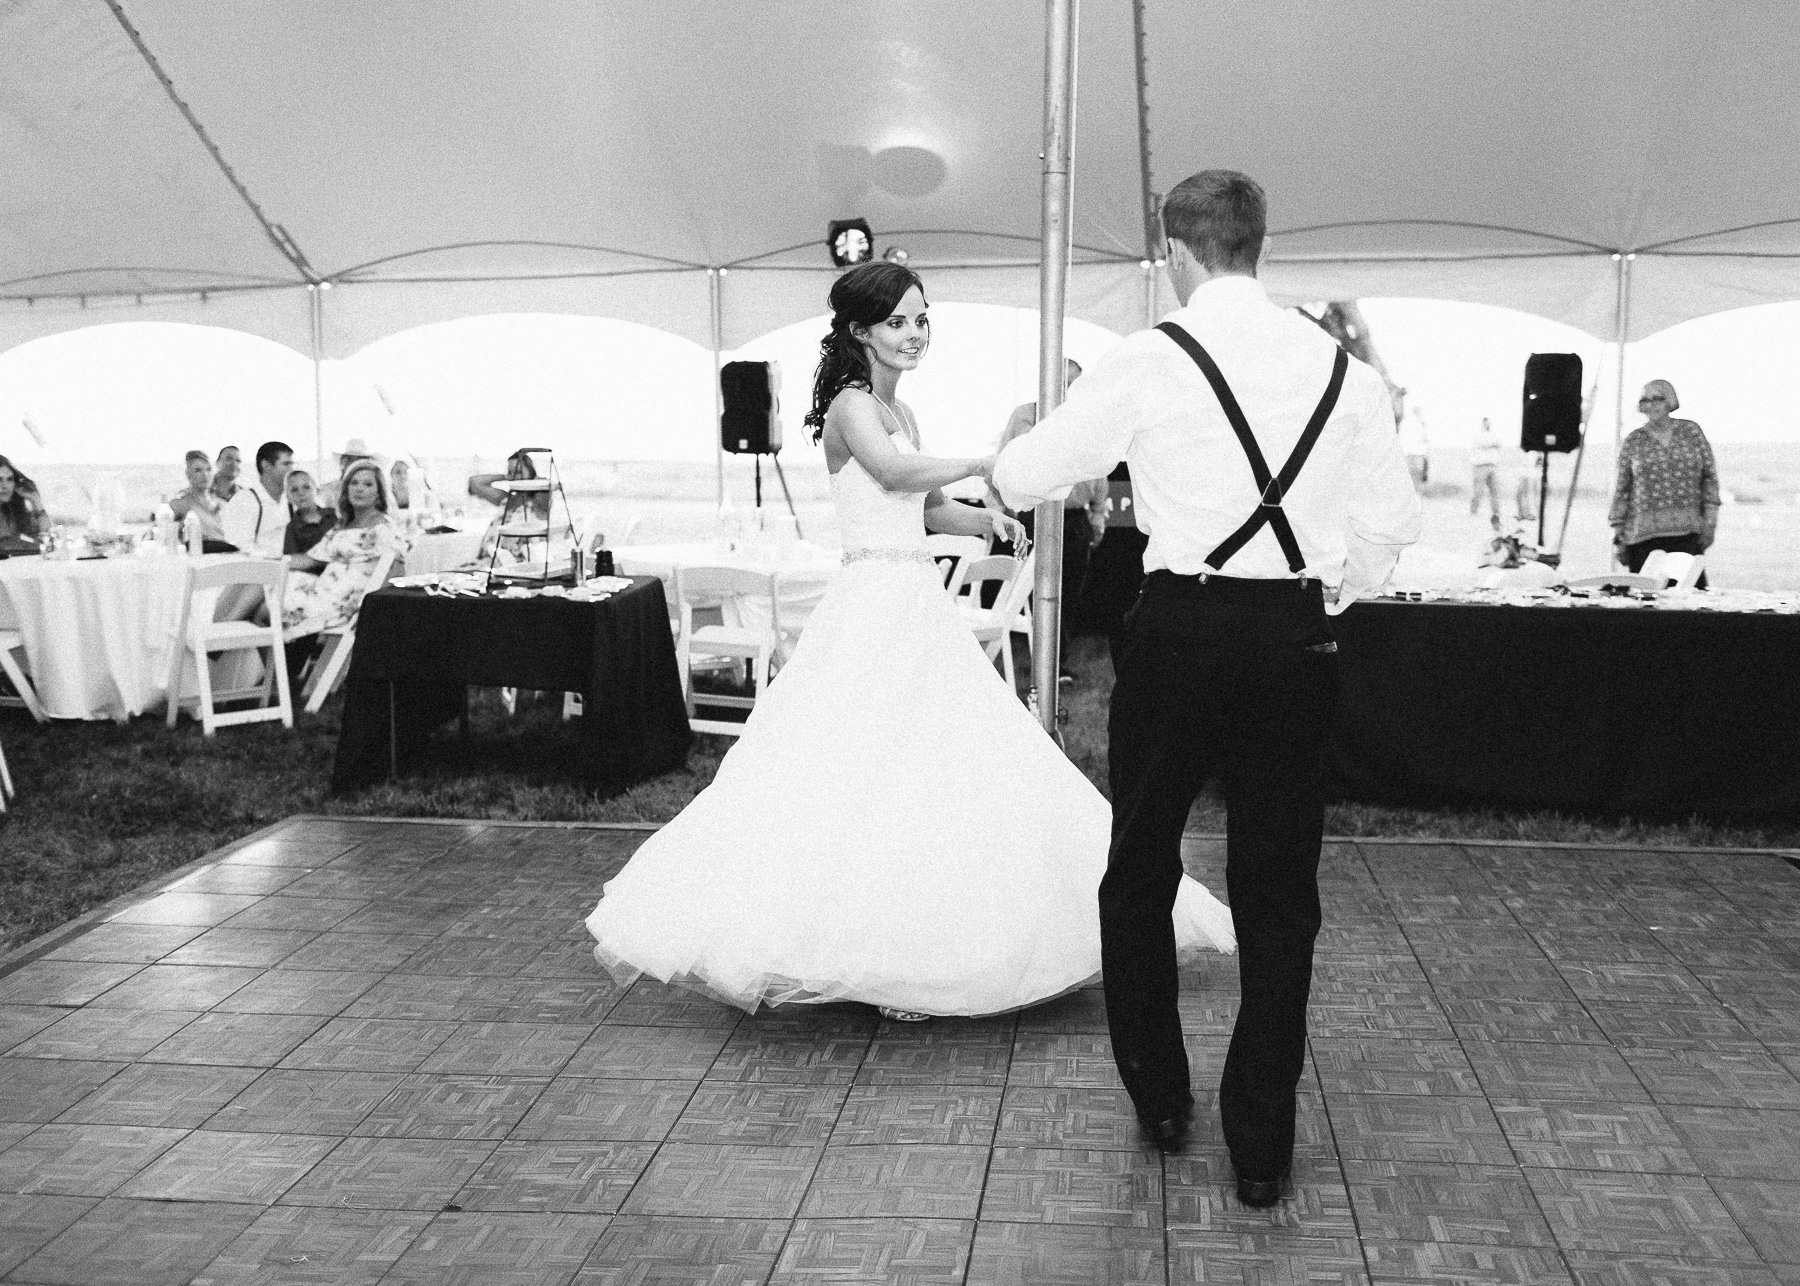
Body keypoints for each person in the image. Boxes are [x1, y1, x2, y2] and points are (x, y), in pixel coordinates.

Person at [586, 261, 1235, 1025]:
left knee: (934, 760)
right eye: (898, 321)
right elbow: (891, 471)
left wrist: (980, 518)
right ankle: (854, 946)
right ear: (859, 331)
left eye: (922, 320)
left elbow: (919, 505)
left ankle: (922, 948)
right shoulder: (851, 407)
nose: (915, 334)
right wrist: (987, 460)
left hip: (913, 601)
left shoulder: (905, 411)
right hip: (868, 605)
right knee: (854, 763)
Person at [994, 170, 1420, 1196]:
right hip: (1293, 641)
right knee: (1281, 894)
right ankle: (1262, 1146)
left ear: (1176, 251)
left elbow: (1024, 476)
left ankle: (1162, 1096)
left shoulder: (1151, 358)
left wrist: (1036, 449)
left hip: (1180, 635)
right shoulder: (1342, 370)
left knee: (1139, 866)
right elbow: (1392, 526)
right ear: (1258, 245)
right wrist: (1327, 596)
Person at [991, 358, 1110, 682]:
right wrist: (1003, 512)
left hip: (1073, 520)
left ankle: (1057, 665)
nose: (1069, 390)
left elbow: (1099, 474)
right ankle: (1033, 660)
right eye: (1063, 383)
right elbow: (1002, 465)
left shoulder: (1085, 421)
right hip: (1033, 516)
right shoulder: (1024, 416)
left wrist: (1098, 517)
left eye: (1075, 384)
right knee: (1031, 592)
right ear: (1046, 381)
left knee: (1068, 592)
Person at [281, 460, 408, 681]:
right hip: (323, 590)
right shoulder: (343, 524)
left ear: (379, 493)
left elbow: (396, 568)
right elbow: (310, 559)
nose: (359, 489)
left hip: (345, 602)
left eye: (368, 484)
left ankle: (215, 648)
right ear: (346, 488)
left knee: (266, 603)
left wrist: (376, 610)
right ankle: (278, 674)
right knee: (267, 583)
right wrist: (268, 561)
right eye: (354, 483)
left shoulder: (383, 527)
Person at [1609, 378, 1719, 588]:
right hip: (1642, 537)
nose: (1651, 405)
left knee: (1692, 605)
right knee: (1648, 608)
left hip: (1687, 534)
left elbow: (1709, 478)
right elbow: (1621, 489)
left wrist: (1710, 523)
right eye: (1645, 400)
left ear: (1670, 400)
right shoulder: (1634, 440)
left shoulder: (1691, 432)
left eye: (1657, 398)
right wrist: (1617, 536)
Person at [221, 440, 294, 557]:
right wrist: (275, 559)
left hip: (291, 567)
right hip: (259, 569)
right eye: (286, 464)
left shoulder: (291, 499)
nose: (291, 469)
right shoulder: (245, 500)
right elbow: (239, 546)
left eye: (292, 464)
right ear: (266, 465)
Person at [168, 450, 229, 544]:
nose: (205, 475)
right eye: (198, 470)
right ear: (188, 474)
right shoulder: (179, 504)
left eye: (208, 469)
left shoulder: (222, 504)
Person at [283, 470, 337, 555]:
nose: (301, 493)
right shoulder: (292, 529)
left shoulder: (335, 515)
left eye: (306, 487)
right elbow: (293, 561)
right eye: (294, 490)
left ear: (317, 489)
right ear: (288, 497)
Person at [0, 455, 48, 544]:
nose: (5, 486)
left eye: (10, 479)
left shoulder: (13, 512)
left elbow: (46, 540)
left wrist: (36, 501)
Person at [1469, 417, 1503, 528]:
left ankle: (1496, 513)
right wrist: (1491, 445)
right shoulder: (1477, 434)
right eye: (1485, 423)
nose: (1487, 425)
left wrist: (1492, 444)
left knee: (1495, 491)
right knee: (1478, 491)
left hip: (1492, 465)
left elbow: (1498, 444)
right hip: (1480, 465)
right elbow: (1482, 444)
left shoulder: (1493, 434)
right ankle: (1473, 511)